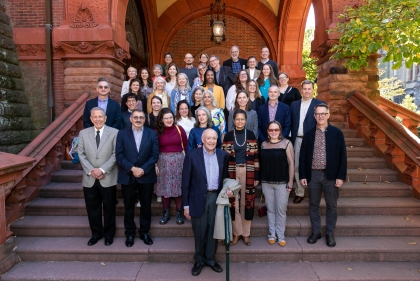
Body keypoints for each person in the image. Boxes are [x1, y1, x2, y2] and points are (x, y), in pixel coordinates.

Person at [181, 129, 230, 276]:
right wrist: (186, 205)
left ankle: (210, 259)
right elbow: (185, 182)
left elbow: (226, 177)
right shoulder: (191, 155)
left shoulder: (223, 155)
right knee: (200, 231)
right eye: (208, 138)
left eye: (214, 138)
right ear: (202, 140)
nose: (211, 141)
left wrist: (228, 190)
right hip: (197, 199)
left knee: (213, 231)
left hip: (216, 198)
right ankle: (199, 260)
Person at [299, 103, 347, 247]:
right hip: (313, 174)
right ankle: (316, 232)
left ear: (328, 115)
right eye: (318, 114)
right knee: (313, 204)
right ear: (314, 116)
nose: (320, 116)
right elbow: (303, 157)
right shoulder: (309, 134)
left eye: (323, 114)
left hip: (331, 176)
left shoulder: (337, 133)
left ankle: (330, 234)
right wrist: (303, 175)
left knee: (331, 205)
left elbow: (342, 156)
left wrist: (341, 176)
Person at [116, 109, 159, 247]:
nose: (138, 119)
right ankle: (129, 233)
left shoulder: (152, 134)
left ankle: (144, 232)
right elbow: (119, 155)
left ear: (145, 120)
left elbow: (154, 155)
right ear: (131, 119)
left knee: (146, 205)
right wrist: (132, 168)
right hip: (128, 175)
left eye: (141, 117)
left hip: (146, 175)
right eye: (136, 117)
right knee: (128, 205)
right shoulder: (122, 134)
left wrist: (143, 169)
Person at [78, 107, 118, 246]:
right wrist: (92, 170)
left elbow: (115, 154)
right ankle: (96, 234)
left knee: (109, 208)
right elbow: (81, 154)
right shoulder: (83, 133)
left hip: (108, 177)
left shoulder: (114, 133)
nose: (98, 119)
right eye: (95, 117)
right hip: (89, 178)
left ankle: (109, 235)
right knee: (92, 208)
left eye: (100, 116)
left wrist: (101, 169)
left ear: (105, 118)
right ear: (91, 119)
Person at [222, 109, 259, 246]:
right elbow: (224, 158)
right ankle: (237, 233)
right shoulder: (228, 136)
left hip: (248, 172)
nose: (240, 121)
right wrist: (225, 176)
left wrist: (256, 175)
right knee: (234, 203)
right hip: (232, 172)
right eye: (237, 119)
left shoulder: (250, 134)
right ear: (233, 120)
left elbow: (255, 156)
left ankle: (246, 234)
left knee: (247, 203)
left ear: (246, 120)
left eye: (242, 119)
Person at [260, 121, 294, 246]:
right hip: (266, 182)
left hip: (282, 182)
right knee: (270, 209)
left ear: (280, 131)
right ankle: (272, 234)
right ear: (267, 132)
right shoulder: (264, 144)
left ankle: (281, 235)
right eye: (271, 130)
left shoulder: (287, 143)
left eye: (276, 130)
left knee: (280, 210)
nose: (273, 132)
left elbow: (291, 163)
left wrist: (290, 181)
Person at [290, 80, 324, 204]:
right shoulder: (294, 105)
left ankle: (315, 192)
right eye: (305, 89)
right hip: (298, 139)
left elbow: (324, 123)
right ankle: (300, 192)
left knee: (314, 166)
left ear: (313, 90)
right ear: (301, 90)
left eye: (309, 89)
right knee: (298, 166)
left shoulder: (319, 104)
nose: (307, 91)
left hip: (313, 140)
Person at [155, 108, 188, 225]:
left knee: (178, 187)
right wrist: (155, 164)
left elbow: (186, 146)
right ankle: (166, 213)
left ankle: (179, 212)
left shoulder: (180, 129)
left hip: (179, 162)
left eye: (170, 117)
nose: (169, 120)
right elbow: (154, 149)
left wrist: (189, 164)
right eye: (166, 118)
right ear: (161, 119)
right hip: (163, 162)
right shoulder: (157, 131)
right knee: (165, 188)